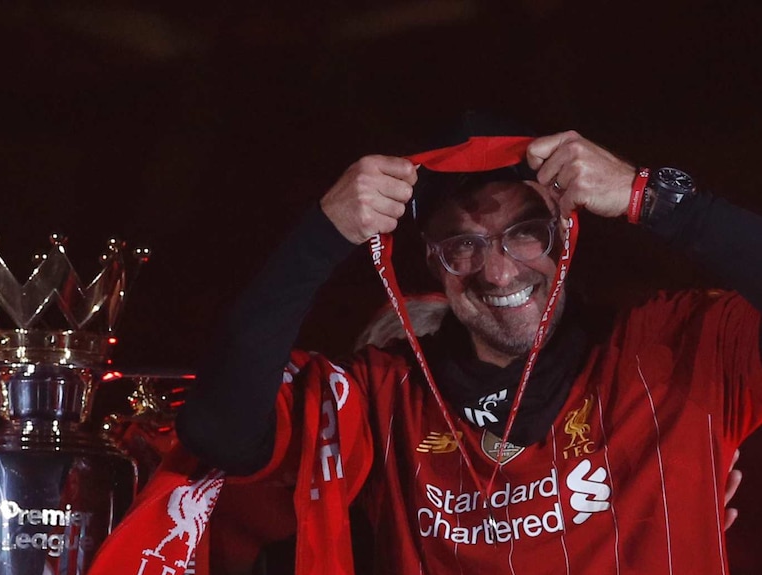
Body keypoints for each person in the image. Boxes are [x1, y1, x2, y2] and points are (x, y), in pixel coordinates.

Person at [176, 112, 762, 574]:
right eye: (463, 245)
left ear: (564, 231)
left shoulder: (679, 350)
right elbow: (221, 432)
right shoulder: (385, 395)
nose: (499, 273)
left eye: (523, 234)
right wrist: (320, 236)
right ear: (433, 263)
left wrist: (653, 197)